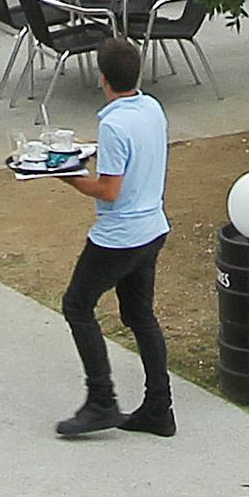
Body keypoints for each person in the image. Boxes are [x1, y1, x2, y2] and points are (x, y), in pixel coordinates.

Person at [52, 39, 175, 439]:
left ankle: (101, 399)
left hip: (119, 236)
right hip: (152, 227)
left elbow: (109, 191)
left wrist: (69, 178)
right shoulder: (151, 109)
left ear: (101, 78)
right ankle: (160, 407)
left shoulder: (113, 125)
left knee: (77, 305)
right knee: (140, 316)